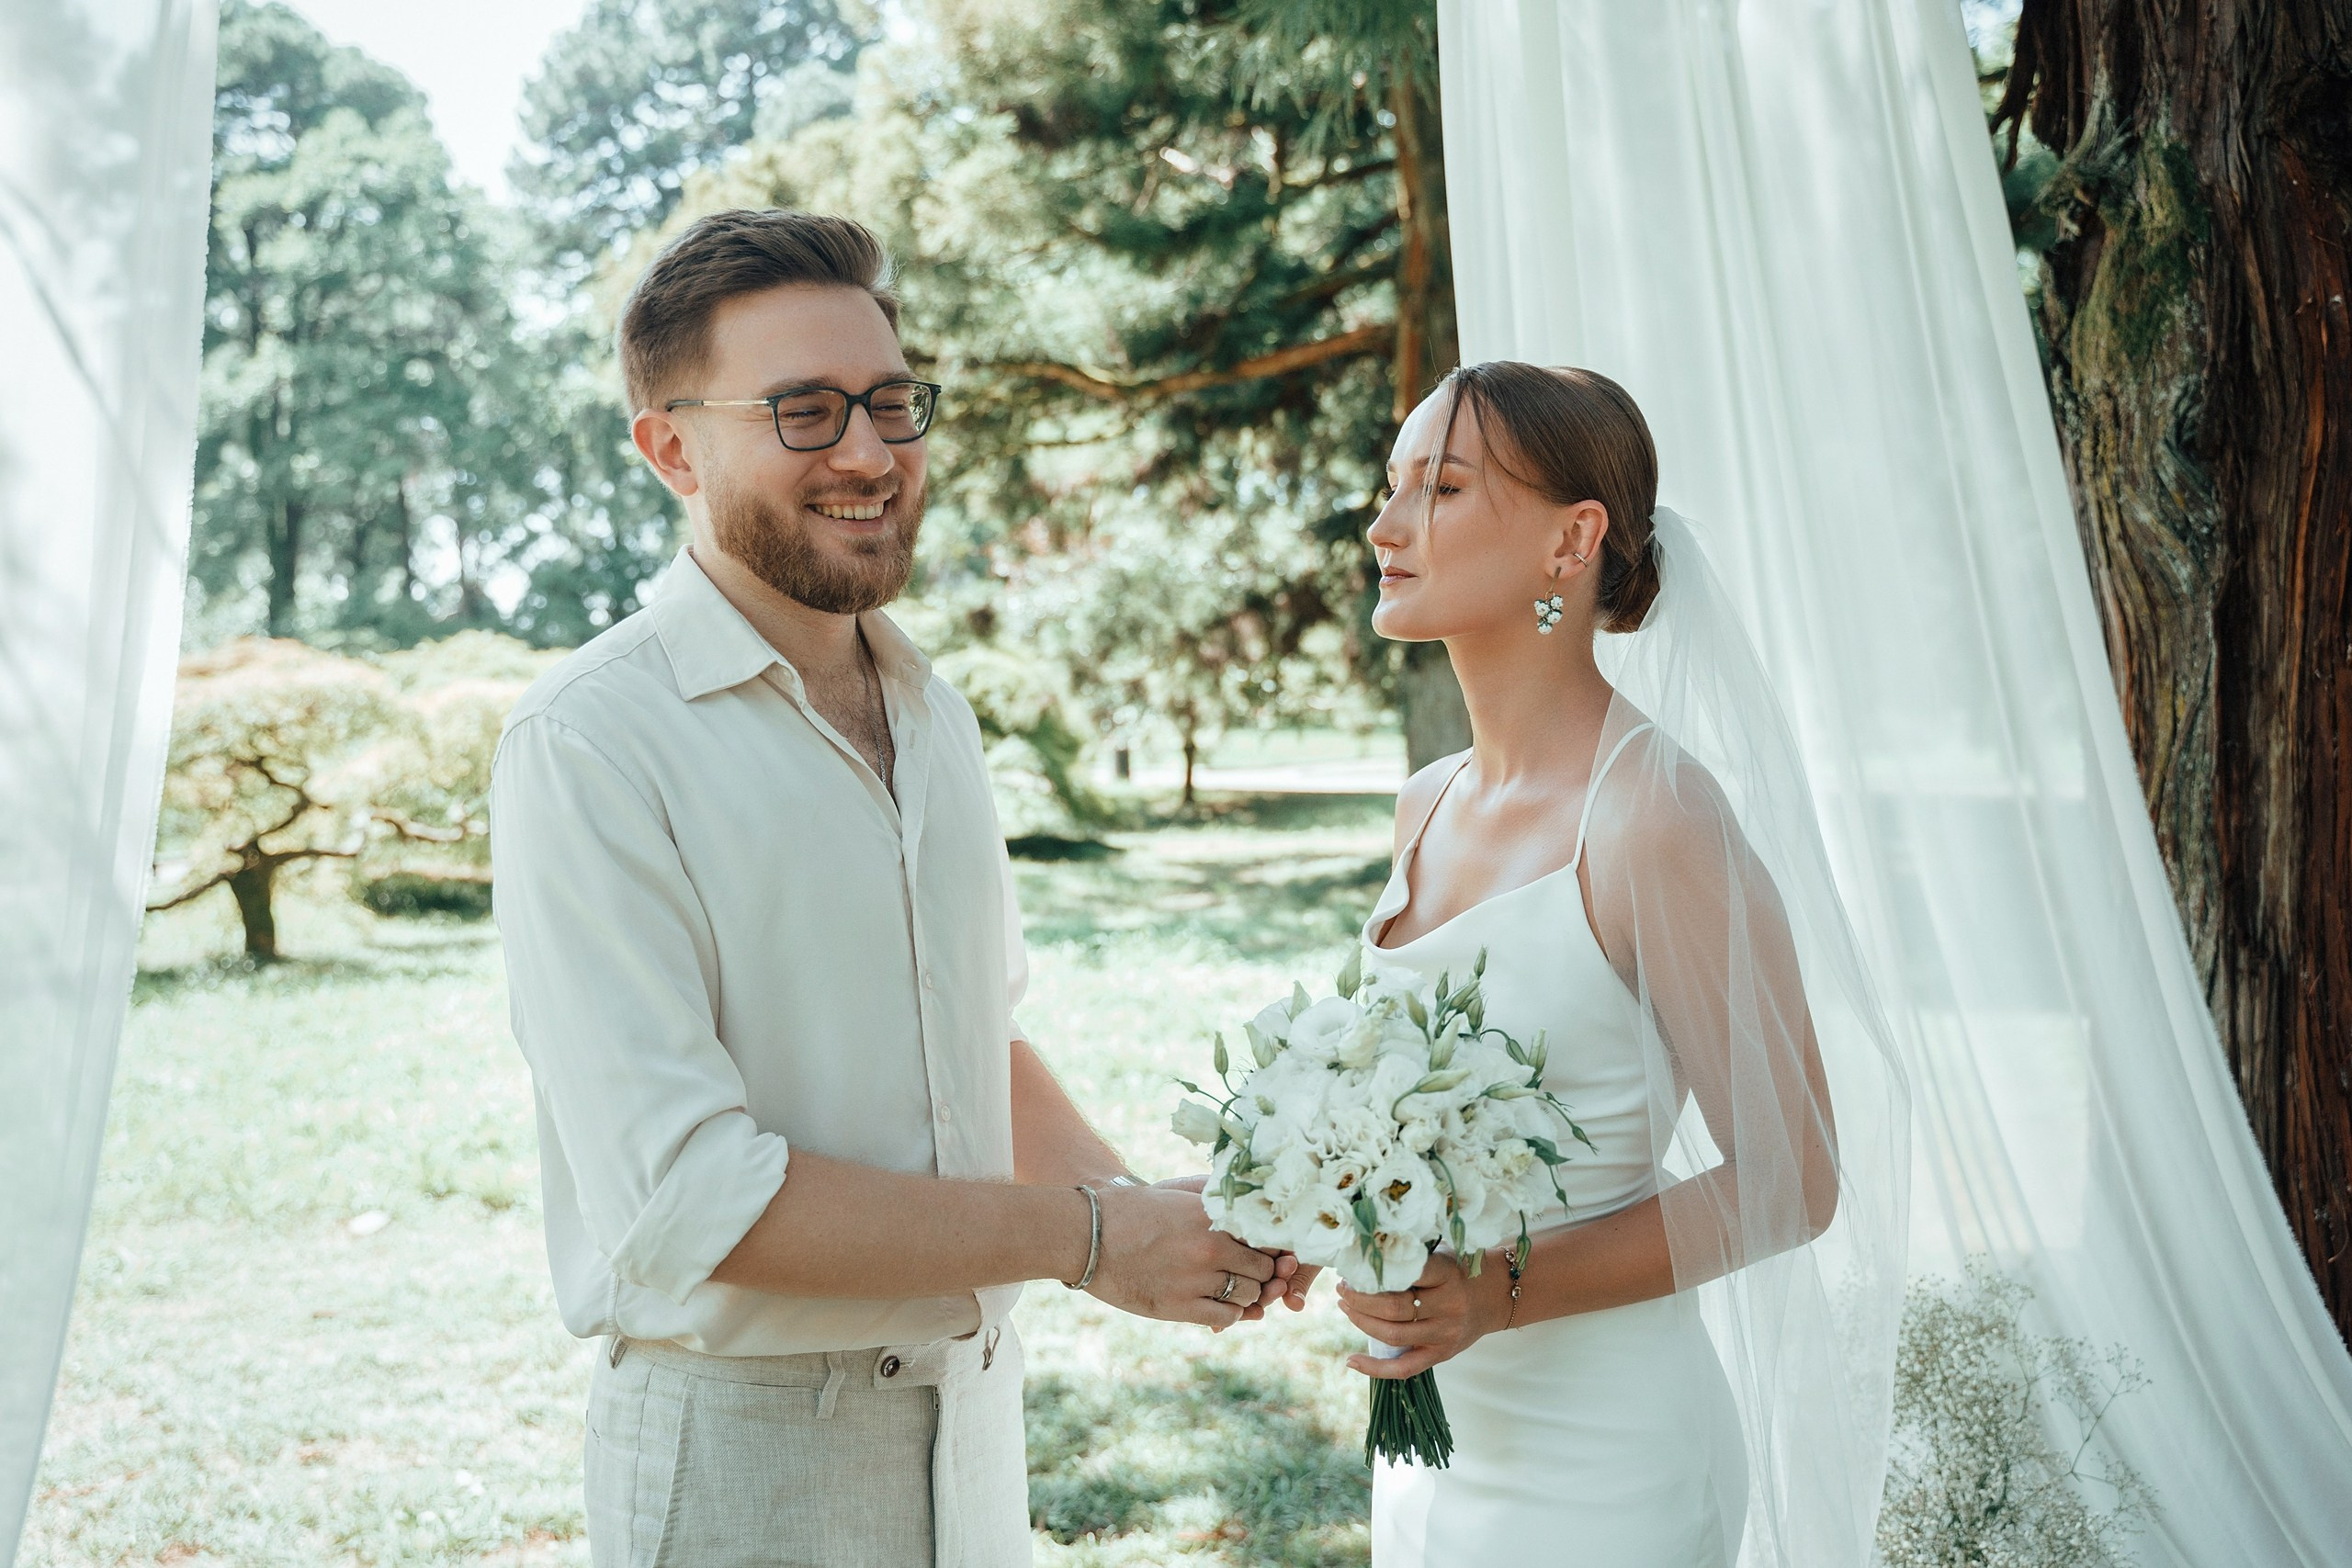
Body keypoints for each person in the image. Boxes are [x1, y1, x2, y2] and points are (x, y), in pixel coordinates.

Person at [490, 209, 1298, 1568]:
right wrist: (1096, 1238)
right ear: (672, 447)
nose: (868, 452)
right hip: (747, 1467)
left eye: (888, 403)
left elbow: (984, 1042)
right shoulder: (586, 742)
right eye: (802, 411)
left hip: (979, 1434)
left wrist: (1166, 1226)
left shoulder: (935, 711)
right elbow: (694, 1198)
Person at [1338, 362, 1905, 1565]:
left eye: (1440, 488)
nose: (1386, 527)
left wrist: (1501, 1290)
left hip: (1607, 1468)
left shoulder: (1653, 819)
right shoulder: (1425, 806)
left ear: (1572, 540)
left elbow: (1794, 1177)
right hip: (1435, 1446)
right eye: (1391, 487)